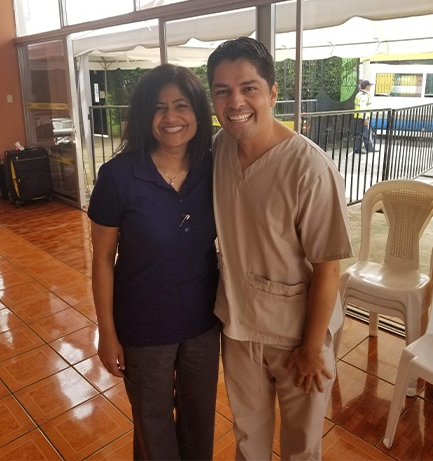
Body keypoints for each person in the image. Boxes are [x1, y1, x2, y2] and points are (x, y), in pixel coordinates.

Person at [207, 37, 353, 461]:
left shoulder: (310, 168)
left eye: (249, 88)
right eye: (222, 90)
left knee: (301, 445)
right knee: (248, 439)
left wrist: (311, 348)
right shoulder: (219, 151)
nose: (236, 102)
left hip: (297, 334)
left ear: (273, 93)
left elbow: (329, 266)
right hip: (238, 326)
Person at [88, 63, 220, 461]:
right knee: (153, 424)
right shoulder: (117, 176)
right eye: (159, 108)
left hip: (203, 320)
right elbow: (101, 262)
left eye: (181, 105)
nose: (171, 118)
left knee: (200, 421)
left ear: (198, 111)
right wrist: (106, 333)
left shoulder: (213, 168)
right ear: (145, 116)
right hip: (143, 326)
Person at [354, 79, 375, 154]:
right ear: (366, 86)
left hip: (359, 117)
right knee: (365, 133)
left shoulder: (360, 94)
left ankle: (361, 148)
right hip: (362, 117)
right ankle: (365, 148)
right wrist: (365, 118)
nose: (370, 88)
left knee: (361, 133)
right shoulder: (364, 96)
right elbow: (363, 108)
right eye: (369, 86)